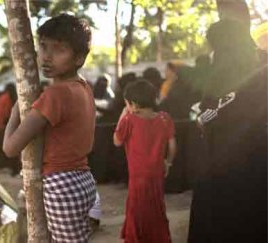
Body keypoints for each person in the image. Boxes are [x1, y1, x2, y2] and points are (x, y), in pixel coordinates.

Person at [3, 14, 97, 242]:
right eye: (43, 47)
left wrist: (16, 111)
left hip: (60, 184)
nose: (47, 57)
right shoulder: (82, 86)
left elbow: (10, 148)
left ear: (79, 58)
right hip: (83, 180)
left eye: (59, 49)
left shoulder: (56, 94)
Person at [188, 19, 267, 243]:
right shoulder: (262, 68)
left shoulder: (220, 73)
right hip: (257, 161)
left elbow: (208, 114)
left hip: (220, 164)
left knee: (221, 222)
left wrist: (201, 117)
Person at [114, 80, 176, 243]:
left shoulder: (129, 120)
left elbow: (117, 141)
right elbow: (172, 144)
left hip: (138, 175)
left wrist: (123, 115)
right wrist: (168, 162)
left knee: (137, 208)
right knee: (157, 207)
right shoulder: (164, 118)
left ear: (133, 104)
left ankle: (138, 238)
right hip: (157, 172)